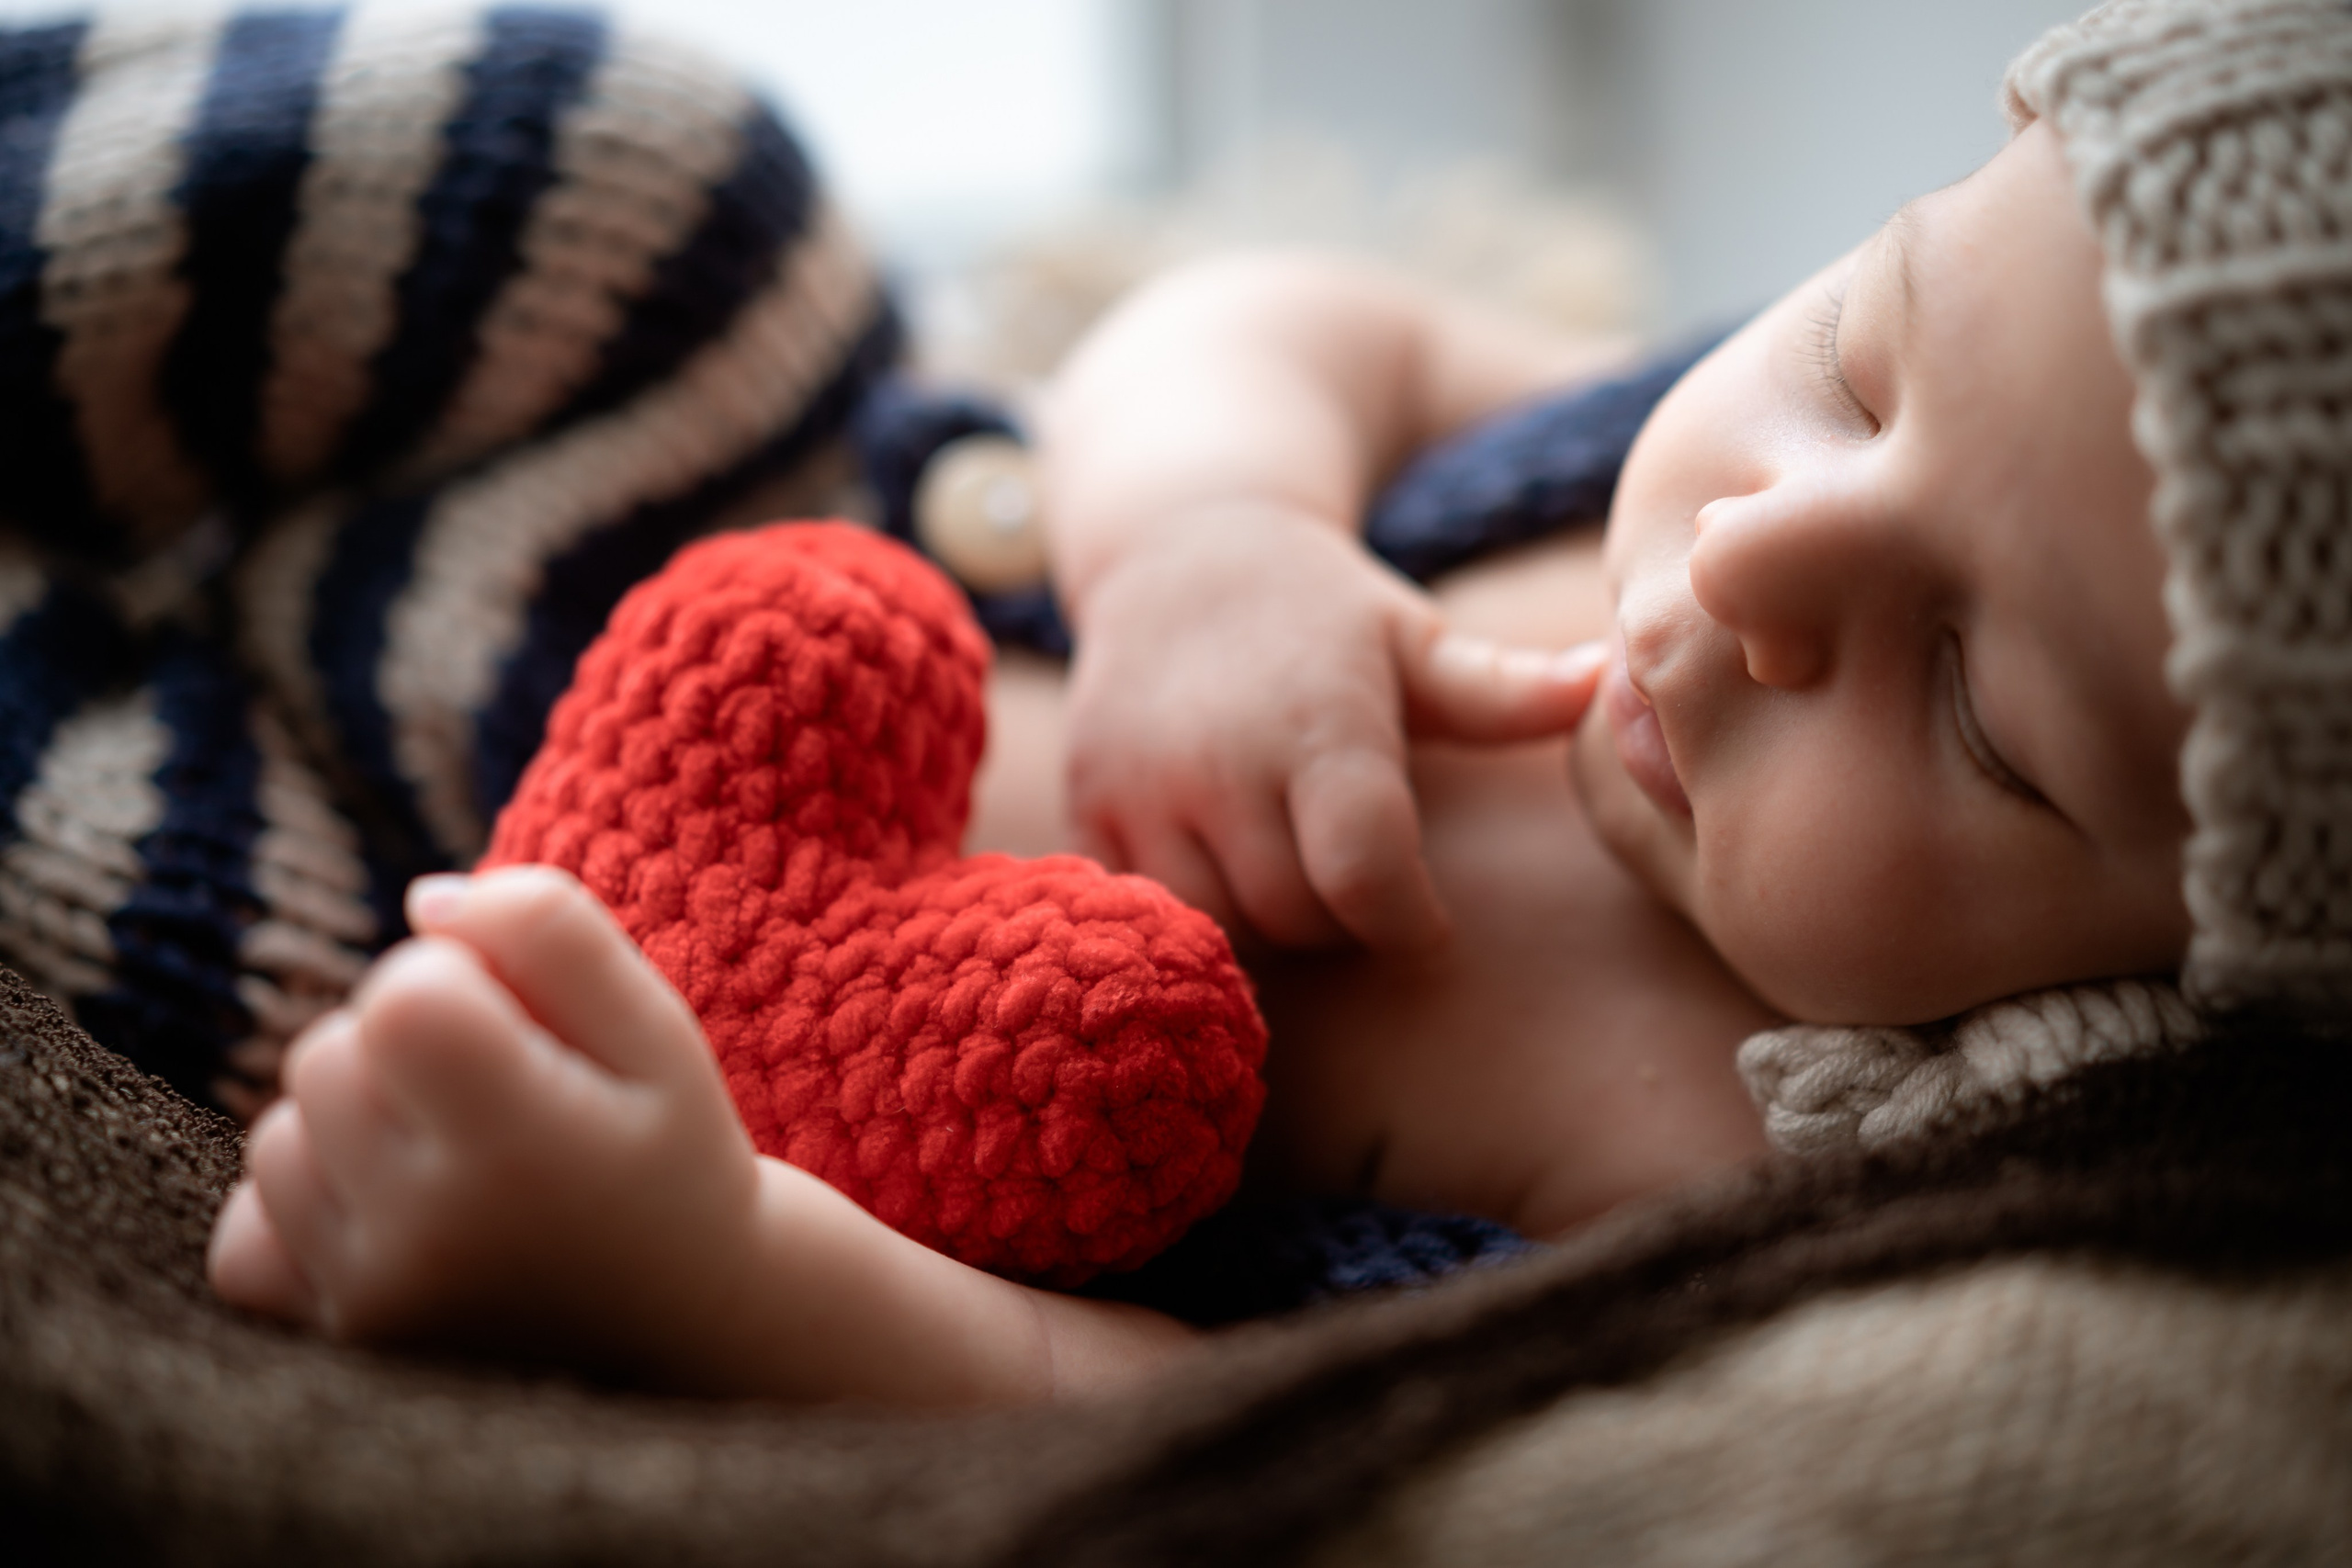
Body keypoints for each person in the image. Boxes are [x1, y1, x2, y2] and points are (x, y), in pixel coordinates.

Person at [203, 0, 2346, 1405]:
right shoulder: (1612, 445)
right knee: (637, 161)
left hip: (496, 949)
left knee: (199, 930)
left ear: (2164, 979)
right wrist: (1216, 528)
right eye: (1857, 360)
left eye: (1974, 705)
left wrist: (708, 1257)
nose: (1750, 558)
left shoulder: (1723, 1176)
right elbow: (1295, 315)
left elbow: (1168, 1407)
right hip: (717, 530)